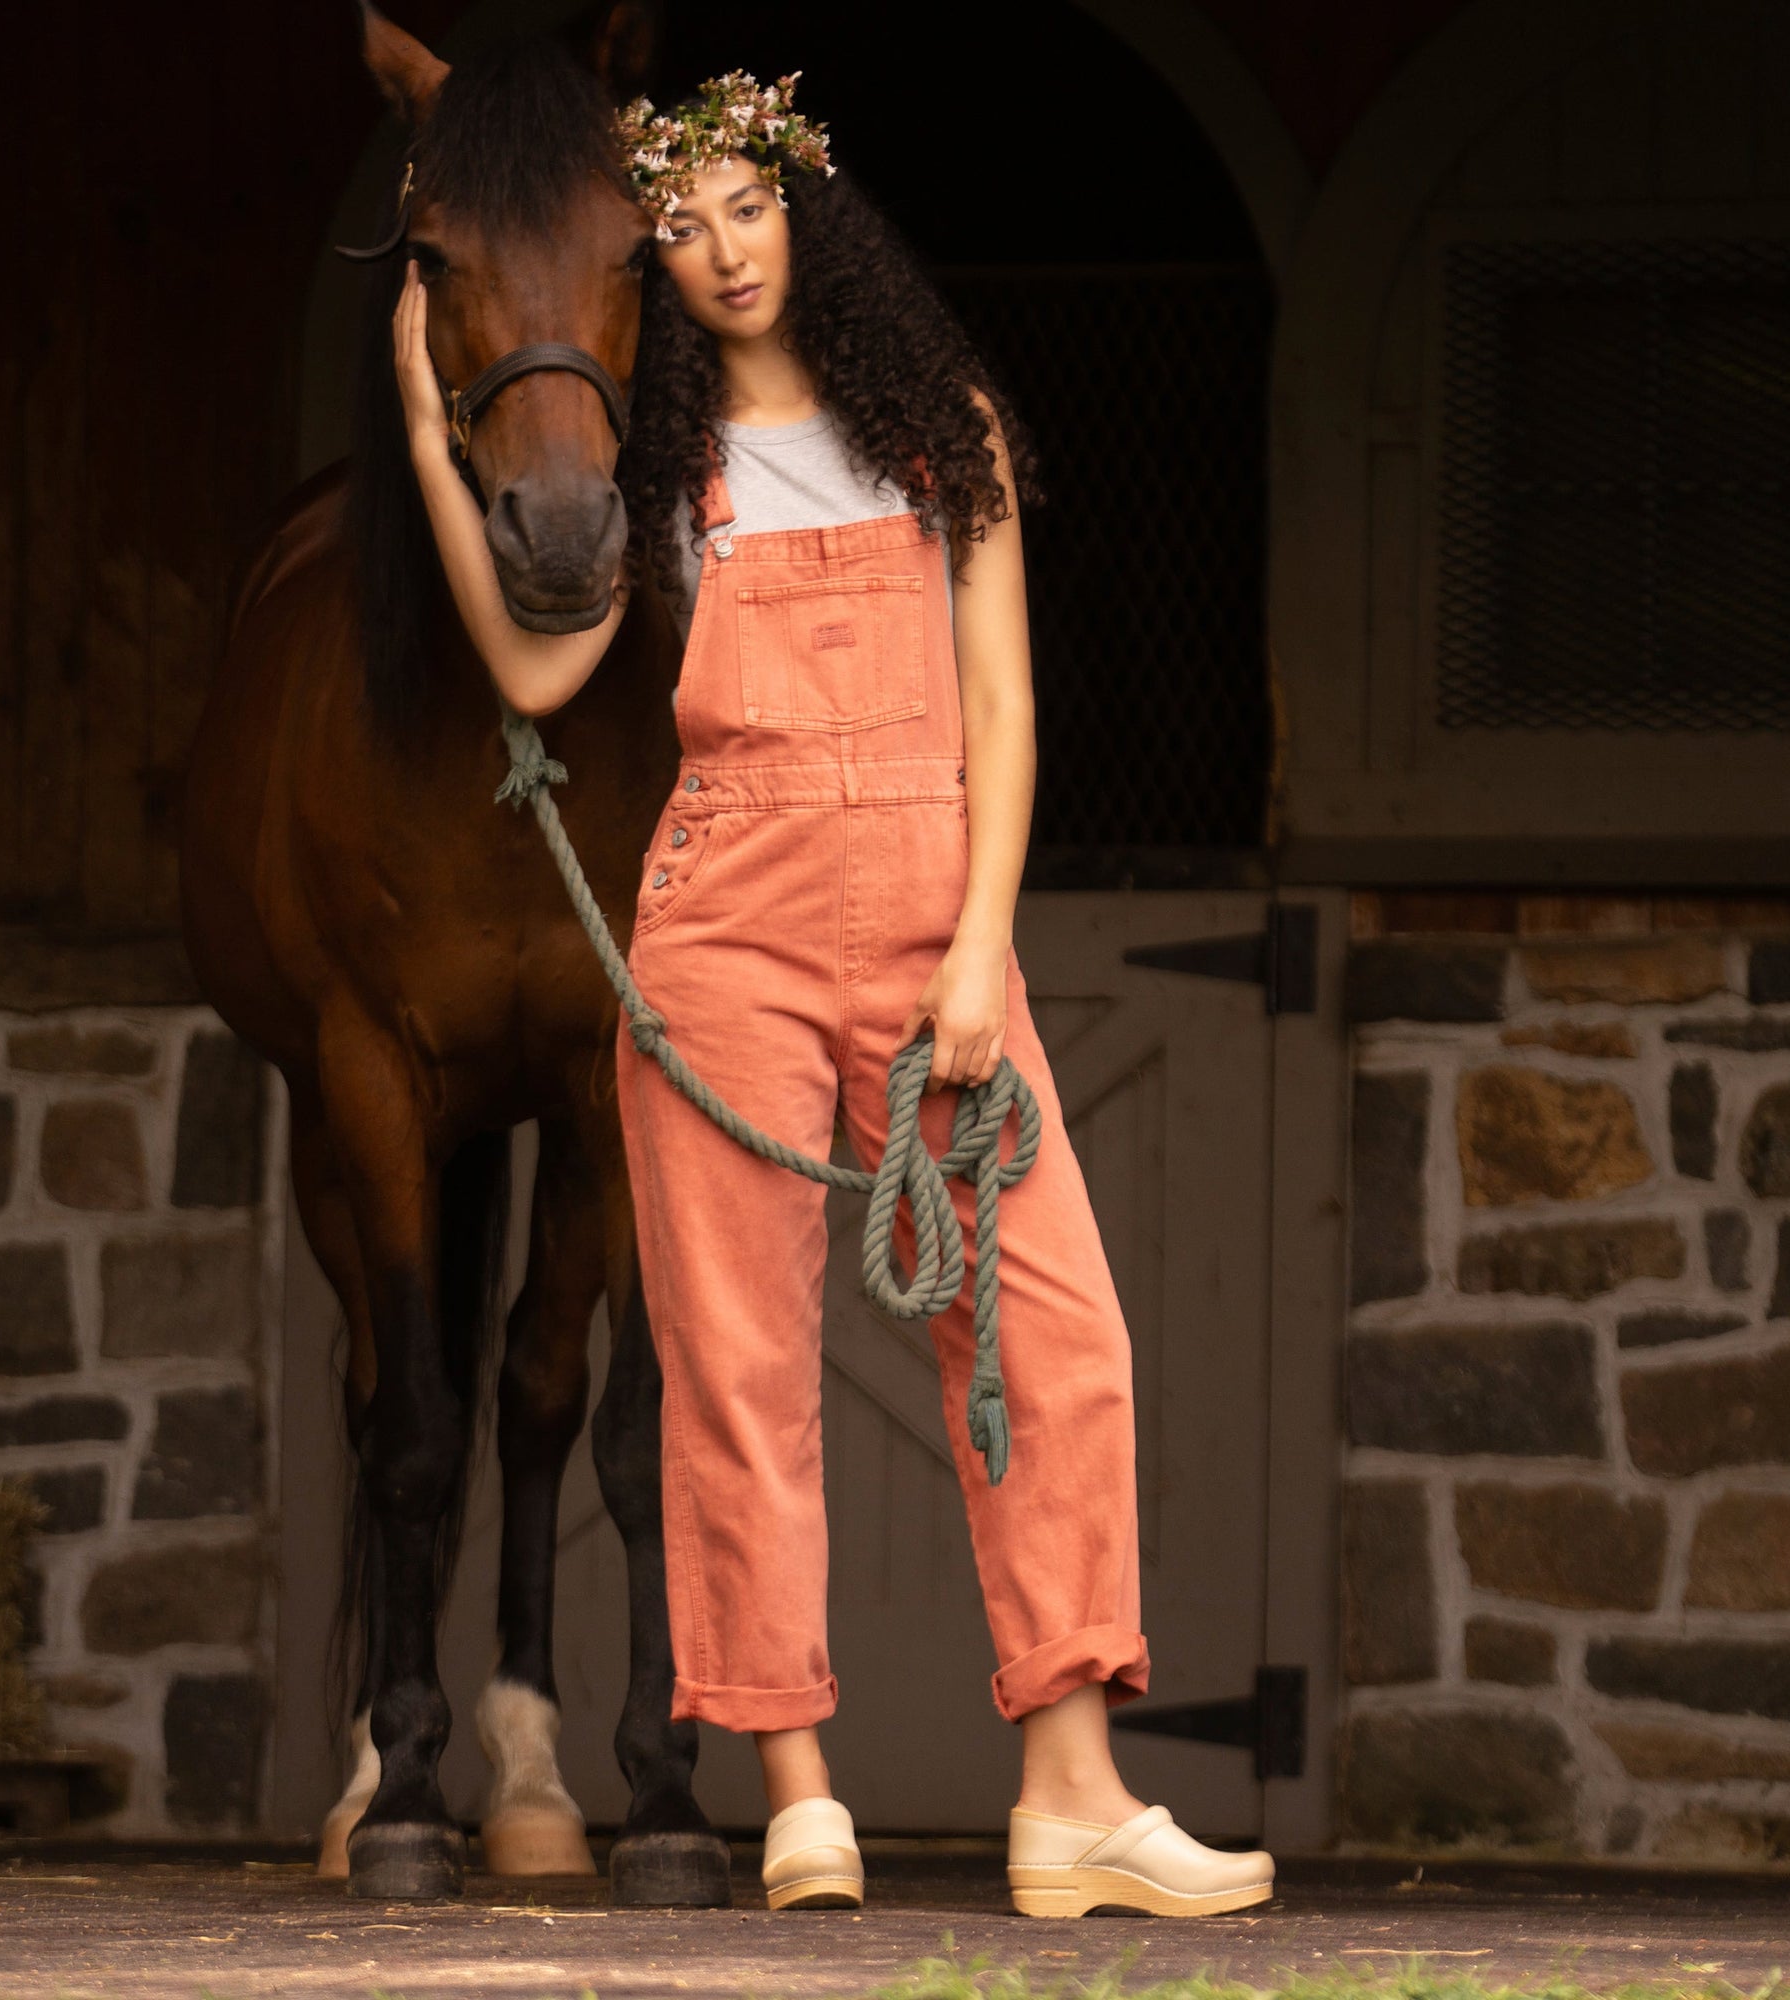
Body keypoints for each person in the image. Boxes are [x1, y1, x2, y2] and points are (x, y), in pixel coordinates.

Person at [391, 68, 1274, 1922]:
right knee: (734, 1371)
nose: (717, 254)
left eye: (745, 210)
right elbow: (539, 685)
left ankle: (1072, 1794)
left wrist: (974, 952)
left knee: (1051, 1342)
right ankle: (798, 1792)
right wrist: (422, 437)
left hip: (931, 920)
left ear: (811, 214)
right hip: (724, 924)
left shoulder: (941, 427)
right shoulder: (667, 466)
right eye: (682, 228)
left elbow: (1008, 710)